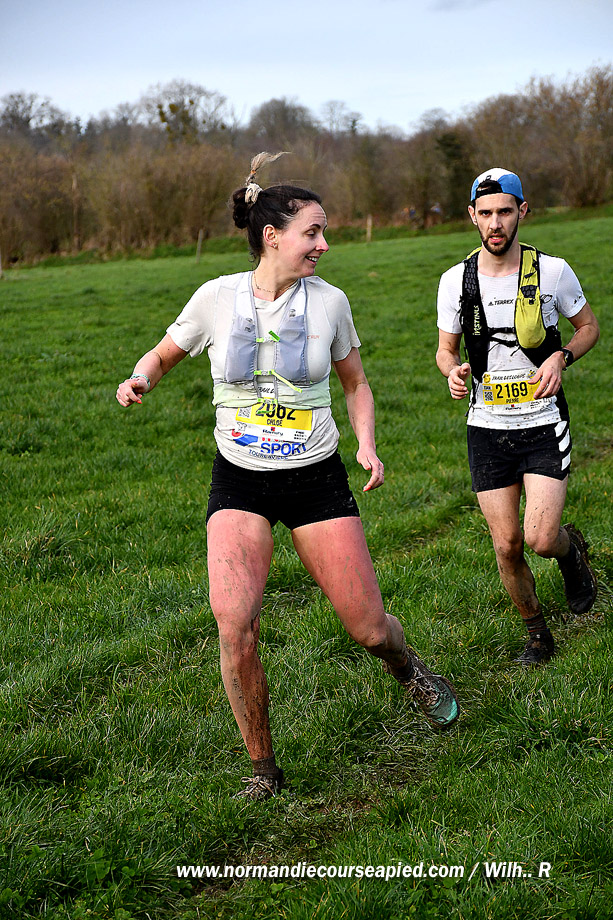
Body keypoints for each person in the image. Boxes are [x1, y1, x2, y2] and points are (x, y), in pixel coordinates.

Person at [117, 152, 459, 799]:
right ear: (272, 235)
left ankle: (406, 667)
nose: (324, 244)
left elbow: (355, 384)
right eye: (313, 232)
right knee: (234, 623)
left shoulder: (330, 303)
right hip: (239, 479)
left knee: (367, 628)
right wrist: (139, 379)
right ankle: (263, 770)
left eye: (323, 232)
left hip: (315, 479)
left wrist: (367, 445)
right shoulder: (215, 298)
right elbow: (161, 356)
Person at [436, 167, 599, 667]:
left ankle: (571, 554)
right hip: (487, 428)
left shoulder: (553, 271)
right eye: (485, 213)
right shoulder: (455, 280)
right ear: (472, 216)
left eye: (504, 212)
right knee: (507, 545)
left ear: (522, 211)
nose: (495, 223)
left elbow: (589, 327)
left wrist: (561, 357)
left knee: (540, 538)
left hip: (543, 422)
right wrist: (452, 371)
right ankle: (537, 635)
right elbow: (445, 349)